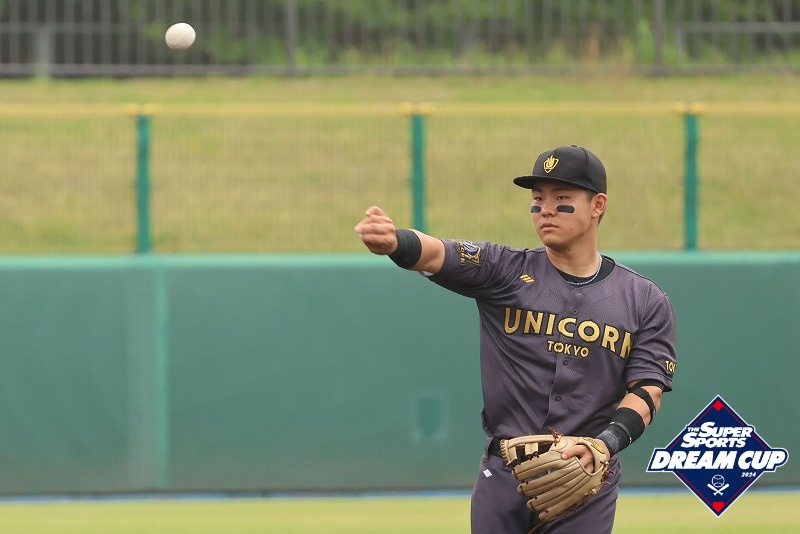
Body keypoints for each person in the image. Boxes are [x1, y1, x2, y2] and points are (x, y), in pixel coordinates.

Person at [354, 144, 677, 533]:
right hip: (504, 476)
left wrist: (605, 444)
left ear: (598, 205)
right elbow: (437, 253)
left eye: (561, 198)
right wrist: (394, 242)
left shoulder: (644, 300)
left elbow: (647, 391)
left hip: (587, 477)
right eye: (538, 199)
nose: (546, 210)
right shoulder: (503, 269)